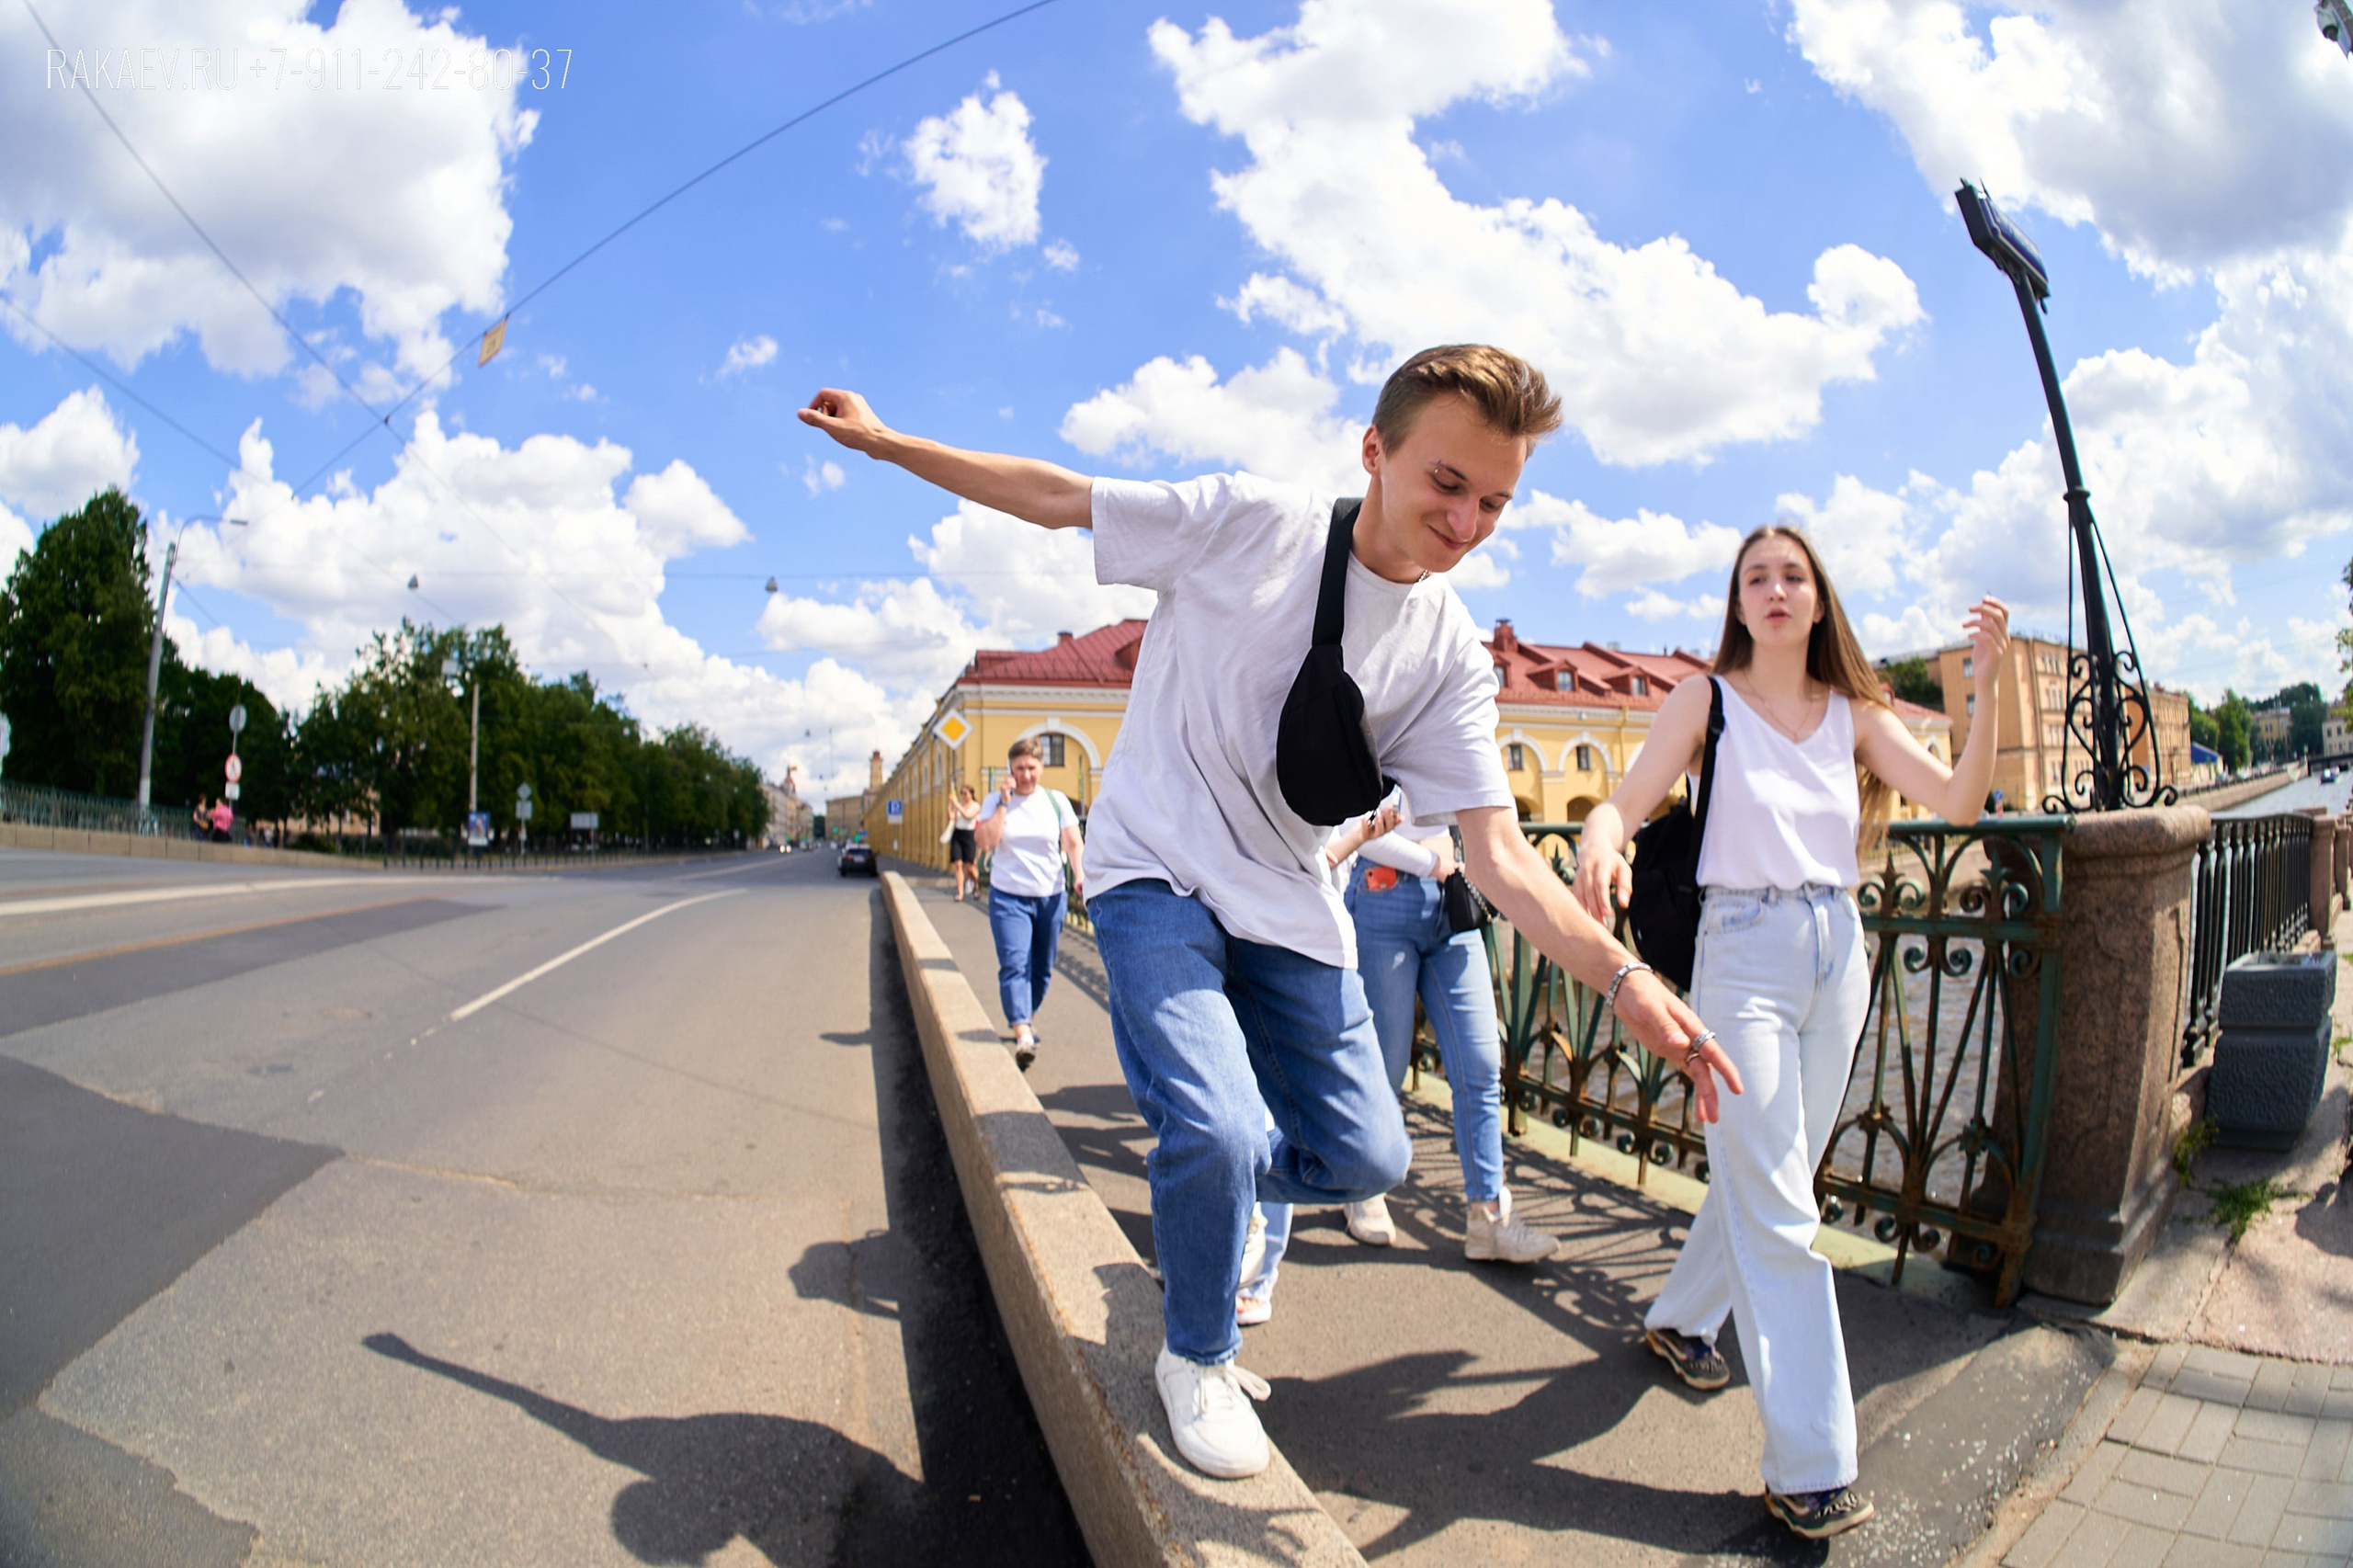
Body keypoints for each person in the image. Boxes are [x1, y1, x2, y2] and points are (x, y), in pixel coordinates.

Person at [801, 344, 1736, 1483]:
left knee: (1365, 1155)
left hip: (1287, 901)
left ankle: (1199, 1197)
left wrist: (1626, 979)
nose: (1465, 523)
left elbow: (1497, 856)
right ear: (1374, 450)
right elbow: (1058, 496)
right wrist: (885, 442)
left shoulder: (1448, 650)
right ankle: (1197, 1354)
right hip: (1153, 871)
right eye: (1446, 483)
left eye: (1494, 502)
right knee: (1220, 1127)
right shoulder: (1252, 523)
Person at [1572, 525, 2007, 1541]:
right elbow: (1624, 804)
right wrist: (1598, 841)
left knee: (1774, 1171)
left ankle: (1681, 1319)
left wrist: (1984, 692)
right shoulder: (1706, 700)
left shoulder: (1854, 713)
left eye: (1793, 575)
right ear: (1738, 603)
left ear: (1818, 600)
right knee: (1779, 1204)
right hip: (1743, 952)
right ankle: (1812, 1464)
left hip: (1836, 950)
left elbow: (1957, 801)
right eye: (1755, 577)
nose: (1774, 589)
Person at [973, 738, 1085, 1070]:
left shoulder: (1056, 801)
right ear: (1010, 769)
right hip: (1008, 895)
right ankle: (1022, 1030)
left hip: (1051, 895)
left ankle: (1026, 1014)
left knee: (1042, 967)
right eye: (1019, 768)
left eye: (1031, 768)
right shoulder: (994, 800)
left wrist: (1080, 875)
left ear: (1041, 768)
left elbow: (1073, 842)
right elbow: (986, 841)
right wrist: (1003, 804)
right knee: (1014, 962)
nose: (1025, 775)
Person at [947, 783, 982, 902]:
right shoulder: (959, 805)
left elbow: (967, 816)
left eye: (965, 793)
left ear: (971, 794)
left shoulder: (976, 806)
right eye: (962, 793)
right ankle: (960, 893)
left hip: (969, 835)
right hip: (958, 834)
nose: (963, 795)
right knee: (958, 864)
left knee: (969, 866)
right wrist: (950, 804)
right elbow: (952, 817)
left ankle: (976, 885)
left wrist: (956, 803)